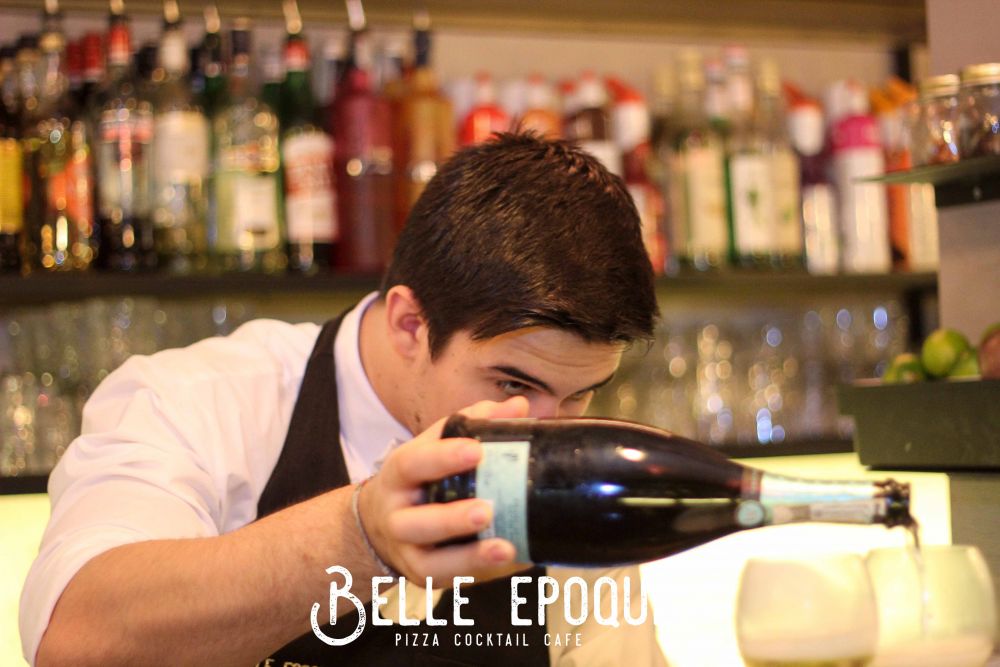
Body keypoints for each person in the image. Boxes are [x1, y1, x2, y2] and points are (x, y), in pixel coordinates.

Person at [20, 132, 666, 666]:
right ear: (410, 324)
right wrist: (361, 534)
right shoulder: (201, 401)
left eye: (579, 396)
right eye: (513, 385)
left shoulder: (574, 493)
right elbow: (74, 638)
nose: (544, 436)